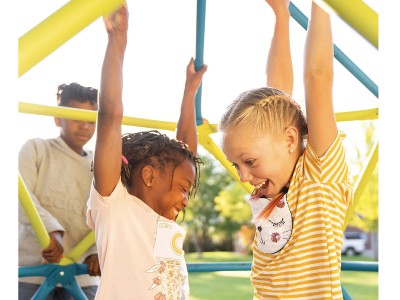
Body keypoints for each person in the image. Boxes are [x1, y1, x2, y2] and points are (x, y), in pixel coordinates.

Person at [219, 0, 353, 299]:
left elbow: (317, 78)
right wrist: (281, 15)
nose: (244, 177)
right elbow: (276, 94)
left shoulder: (318, 173)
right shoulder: (272, 188)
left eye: (249, 161)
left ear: (291, 140)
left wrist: (321, 5)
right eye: (236, 165)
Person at [85, 3, 207, 299]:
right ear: (149, 176)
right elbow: (110, 116)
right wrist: (117, 42)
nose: (185, 201)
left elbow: (185, 155)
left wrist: (189, 94)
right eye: (182, 189)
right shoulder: (114, 206)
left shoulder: (164, 221)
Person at [18, 82, 101, 299]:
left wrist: (96, 252)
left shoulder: (99, 166)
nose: (84, 126)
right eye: (76, 118)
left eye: (91, 120)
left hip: (81, 275)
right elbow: (18, 197)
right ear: (57, 118)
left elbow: (104, 214)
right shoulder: (36, 149)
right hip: (31, 274)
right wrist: (51, 231)